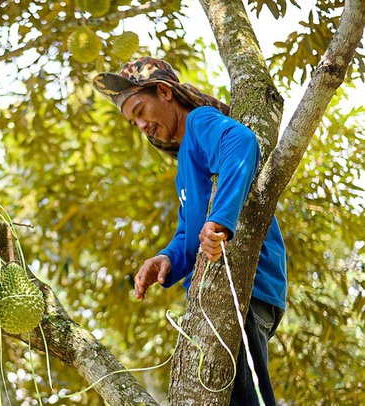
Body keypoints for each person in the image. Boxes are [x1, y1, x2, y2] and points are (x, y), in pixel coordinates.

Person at [93, 57, 287, 405]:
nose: (140, 125)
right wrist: (166, 258)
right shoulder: (185, 160)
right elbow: (188, 233)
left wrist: (220, 222)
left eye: (140, 110)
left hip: (246, 287)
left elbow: (242, 142)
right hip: (224, 295)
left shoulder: (199, 122)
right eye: (132, 120)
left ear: (164, 92)